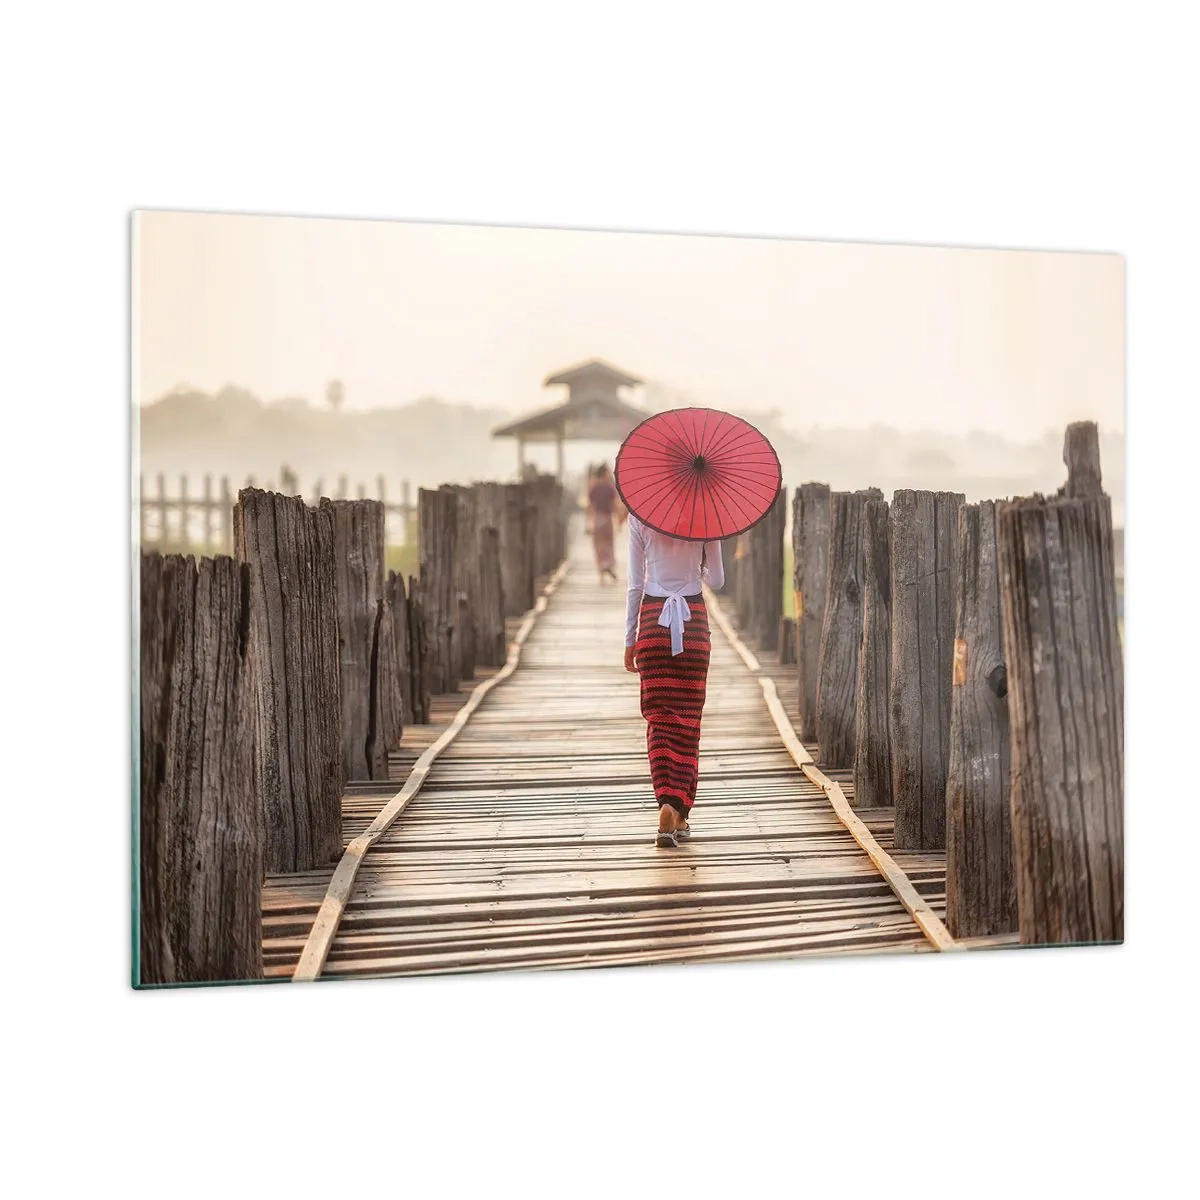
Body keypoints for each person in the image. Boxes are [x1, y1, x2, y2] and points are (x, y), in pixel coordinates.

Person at [623, 514, 725, 847]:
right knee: (688, 722)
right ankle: (678, 807)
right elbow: (718, 581)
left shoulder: (639, 514)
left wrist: (630, 640)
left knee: (659, 720)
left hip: (653, 624)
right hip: (693, 623)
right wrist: (701, 565)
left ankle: (668, 804)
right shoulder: (707, 514)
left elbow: (635, 584)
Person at [586, 463, 621, 583]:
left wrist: (588, 523)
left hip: (597, 518)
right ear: (604, 473)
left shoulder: (593, 487)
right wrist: (618, 520)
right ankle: (608, 564)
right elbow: (614, 505)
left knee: (598, 545)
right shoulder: (610, 488)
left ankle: (601, 570)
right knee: (609, 544)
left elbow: (590, 506)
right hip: (608, 518)